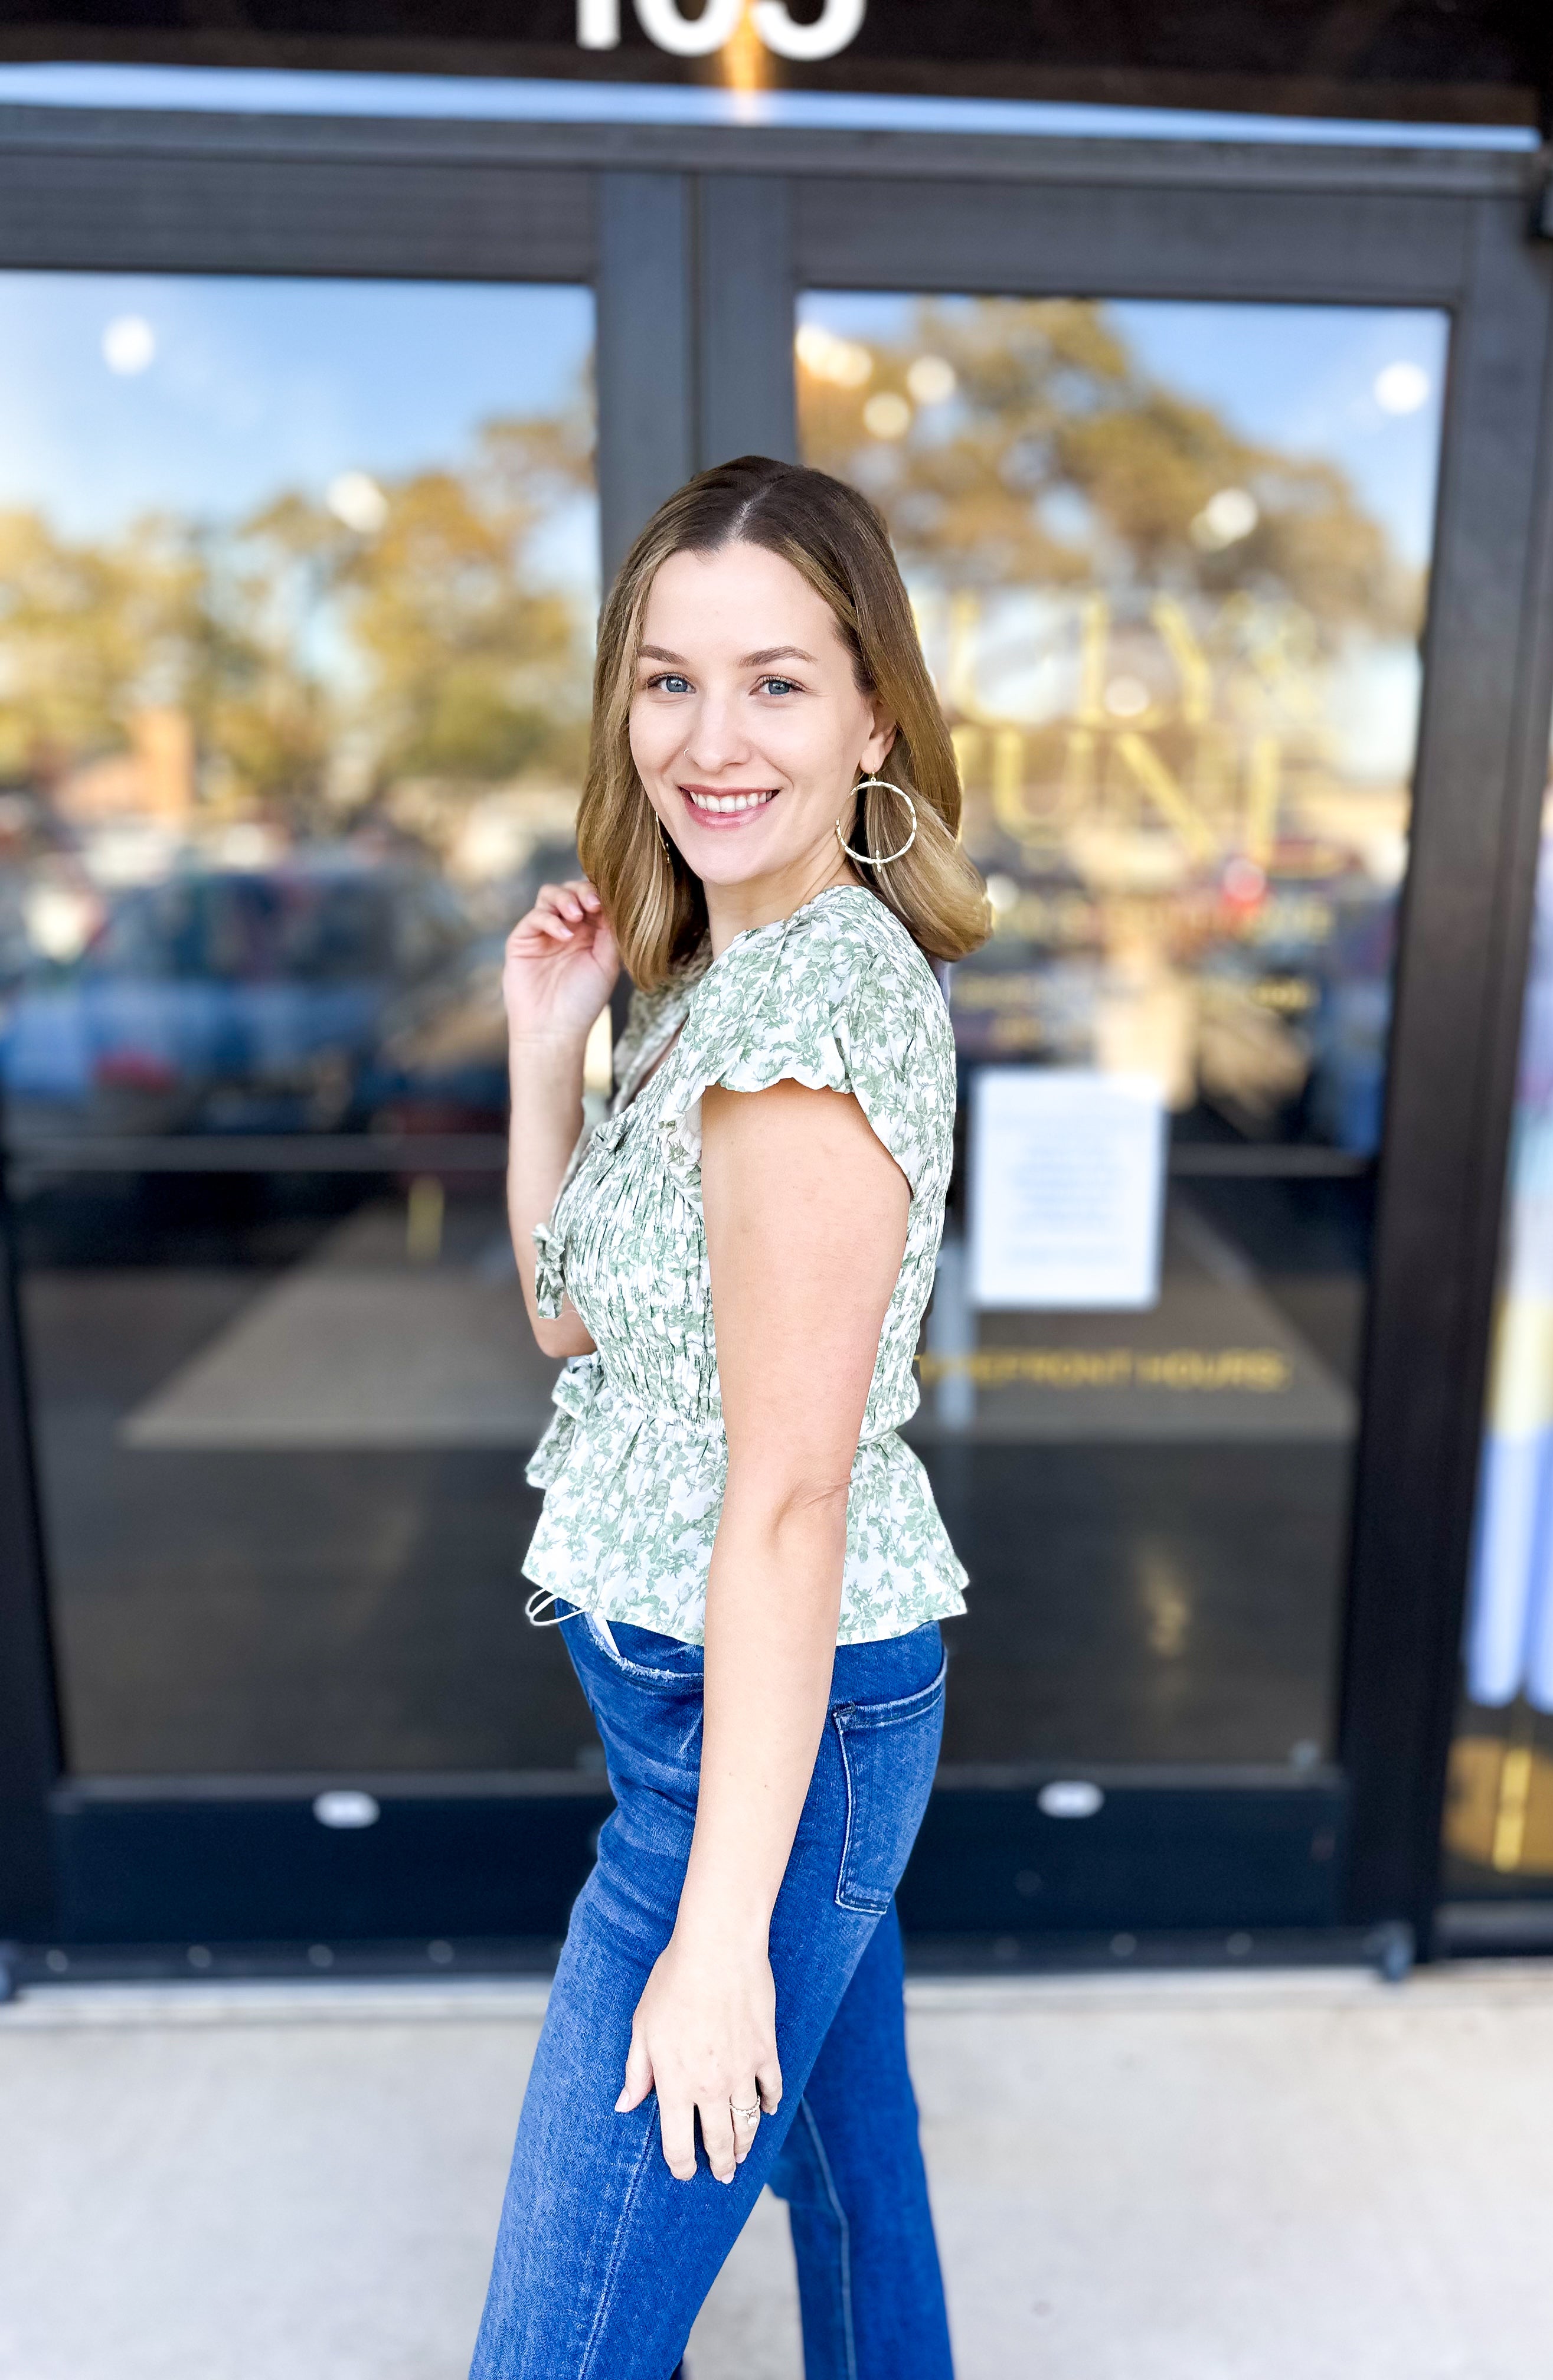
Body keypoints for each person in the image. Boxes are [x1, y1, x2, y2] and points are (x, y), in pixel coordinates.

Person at [472, 456, 989, 2379]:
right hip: (742, 1713)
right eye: (668, 678)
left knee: (562, 2348)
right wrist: (552, 1052)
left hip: (756, 1743)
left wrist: (713, 1938)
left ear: (872, 712)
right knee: (858, 2195)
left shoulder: (803, 1031)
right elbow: (573, 1324)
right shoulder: (716, 975)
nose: (710, 736)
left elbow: (787, 1505)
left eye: (776, 682)